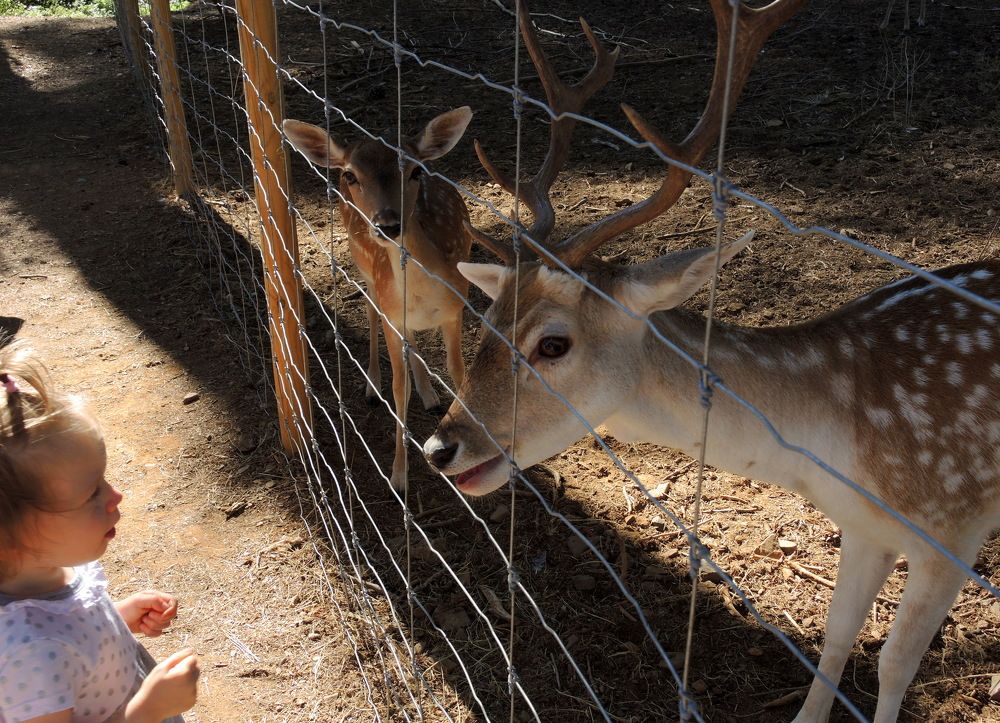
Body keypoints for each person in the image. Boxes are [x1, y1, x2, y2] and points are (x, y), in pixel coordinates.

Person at [0, 343, 200, 722]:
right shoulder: (27, 654)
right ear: (11, 537)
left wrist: (119, 618)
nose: (115, 495)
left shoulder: (55, 571)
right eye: (91, 492)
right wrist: (148, 710)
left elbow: (70, 638)